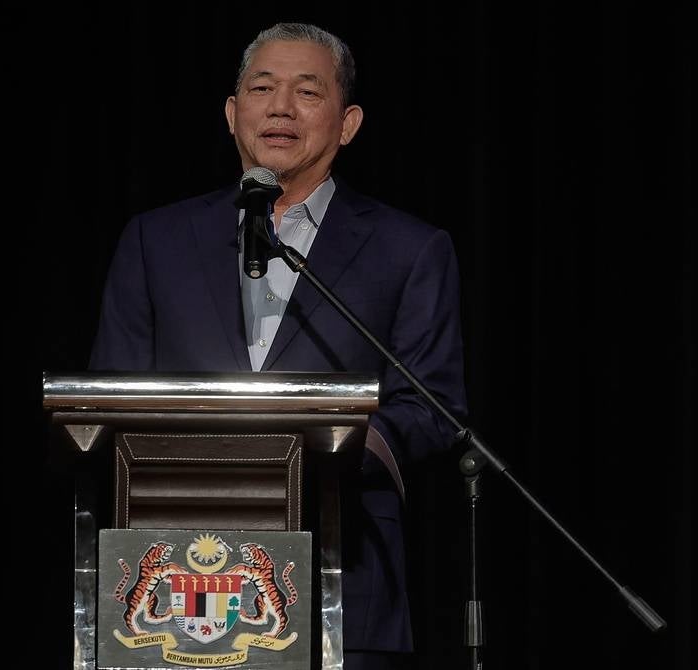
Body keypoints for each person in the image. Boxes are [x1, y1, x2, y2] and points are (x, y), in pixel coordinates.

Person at [90, 22, 467, 669]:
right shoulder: (157, 241)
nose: (281, 107)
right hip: (175, 583)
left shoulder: (409, 249)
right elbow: (109, 401)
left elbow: (433, 408)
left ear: (348, 124)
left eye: (307, 91)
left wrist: (328, 445)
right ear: (232, 113)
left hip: (344, 577)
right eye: (262, 88)